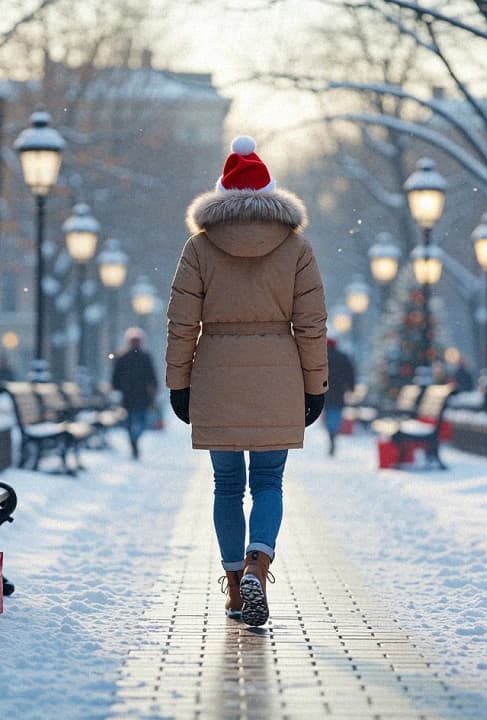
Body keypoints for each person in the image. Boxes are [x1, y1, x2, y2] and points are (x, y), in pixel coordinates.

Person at [165, 136, 327, 627]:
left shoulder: (199, 247)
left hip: (216, 373)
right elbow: (312, 323)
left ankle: (236, 589)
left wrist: (179, 383)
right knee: (270, 481)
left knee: (227, 485)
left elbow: (180, 322)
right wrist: (315, 387)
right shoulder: (296, 248)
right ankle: (260, 562)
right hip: (280, 374)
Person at [111, 327, 158, 460]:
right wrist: (117, 389)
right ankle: (133, 441)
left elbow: (152, 375)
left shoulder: (145, 357)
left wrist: (154, 388)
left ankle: (135, 439)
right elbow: (116, 377)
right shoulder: (122, 358)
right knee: (130, 421)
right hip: (128, 396)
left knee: (142, 421)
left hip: (142, 396)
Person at [323, 338, 356, 456]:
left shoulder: (323, 357)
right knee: (336, 412)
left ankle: (331, 433)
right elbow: (350, 372)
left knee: (328, 412)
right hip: (339, 391)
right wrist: (351, 387)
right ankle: (334, 431)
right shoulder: (343, 356)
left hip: (326, 390)